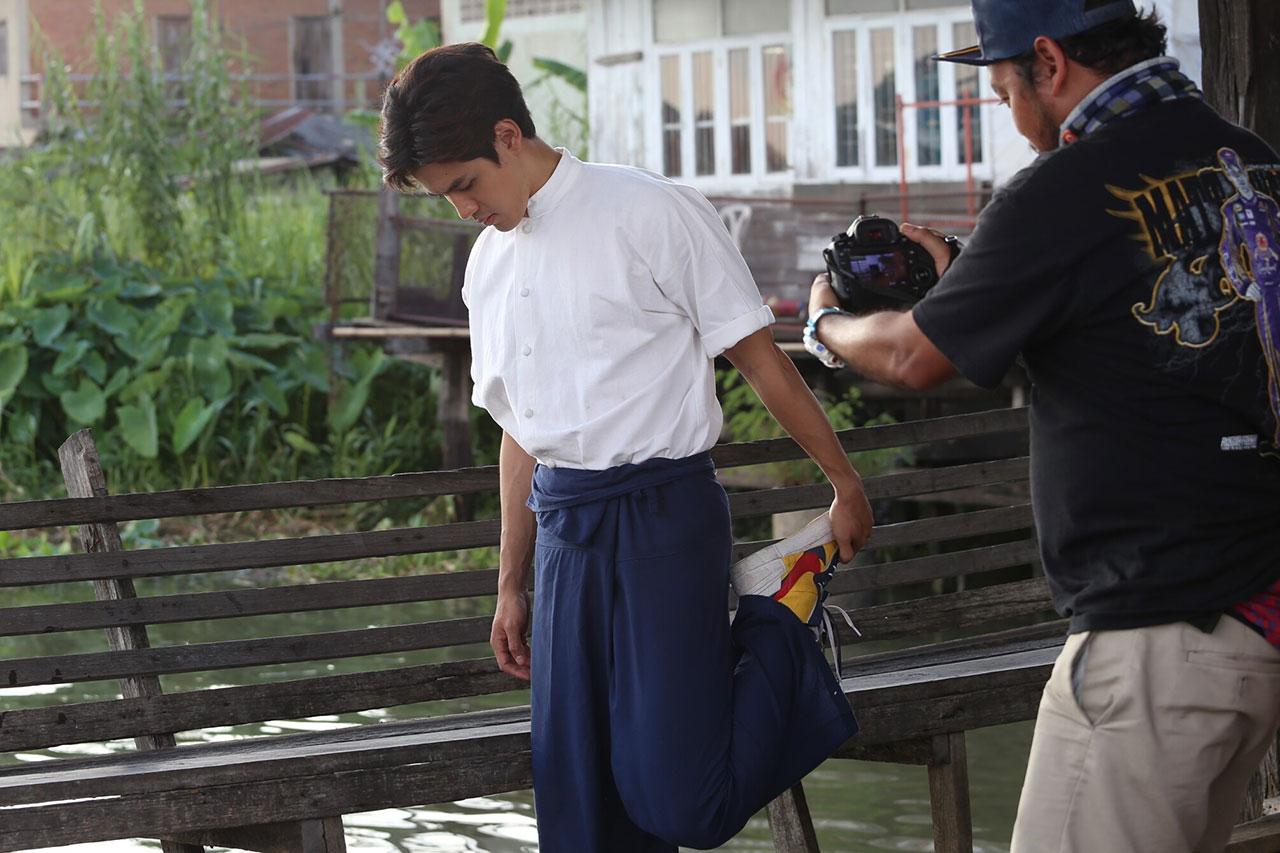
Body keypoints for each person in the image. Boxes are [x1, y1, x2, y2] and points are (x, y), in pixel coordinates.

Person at [805, 1, 1280, 850]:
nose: (1015, 122)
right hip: (1254, 617)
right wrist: (977, 278)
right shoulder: (1253, 162)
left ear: (1050, 64)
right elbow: (1138, 332)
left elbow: (914, 356)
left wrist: (825, 326)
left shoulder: (1066, 186)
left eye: (1003, 94)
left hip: (1156, 629)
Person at [378, 42, 871, 852]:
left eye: (464, 184)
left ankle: (783, 617)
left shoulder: (648, 211)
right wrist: (510, 583)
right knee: (580, 806)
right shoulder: (487, 268)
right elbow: (519, 429)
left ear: (508, 135)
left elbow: (761, 361)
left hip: (663, 518)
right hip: (563, 534)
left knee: (683, 801)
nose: (463, 209)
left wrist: (843, 482)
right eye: (445, 197)